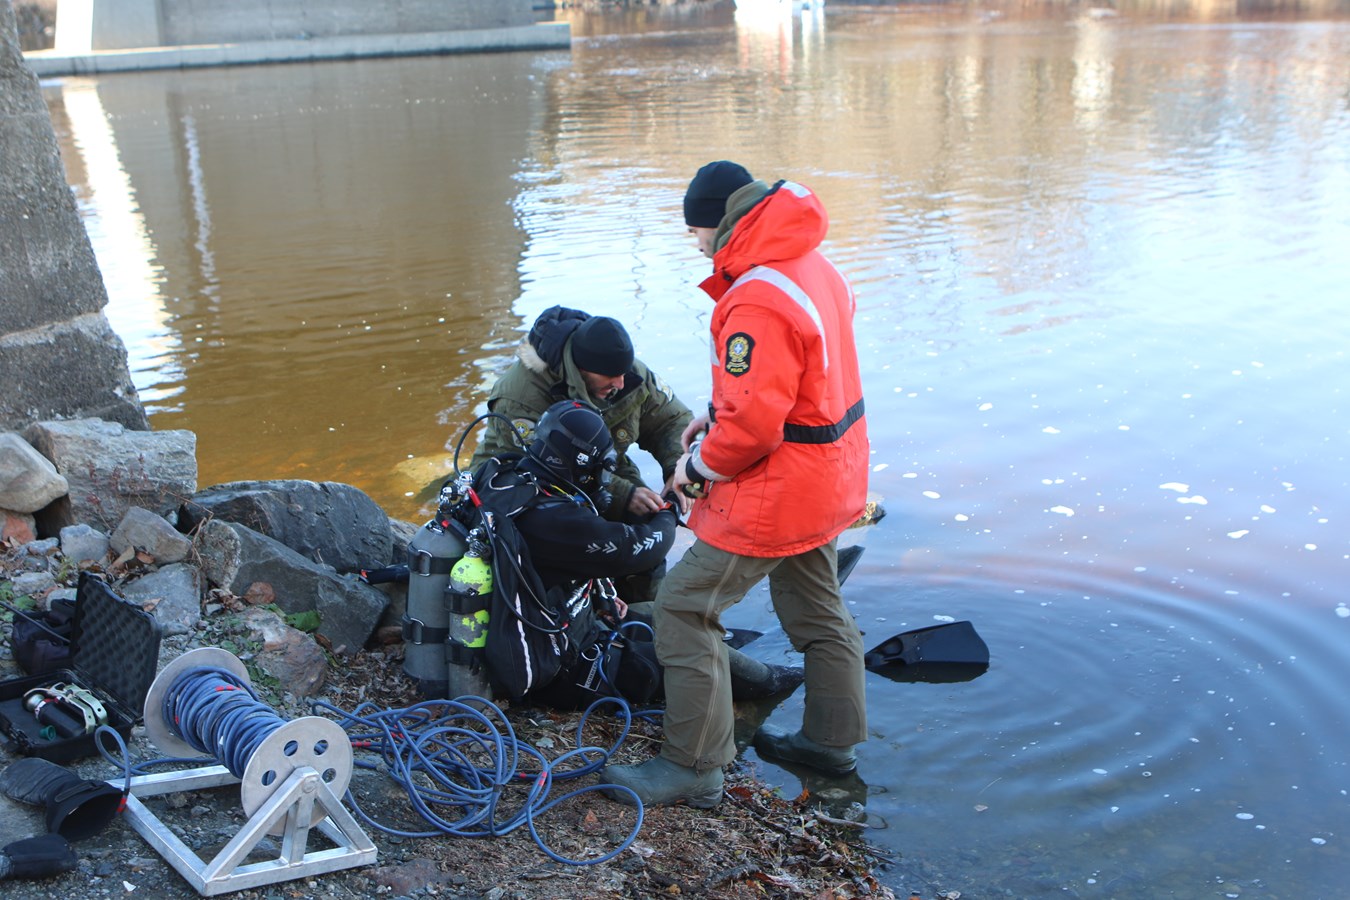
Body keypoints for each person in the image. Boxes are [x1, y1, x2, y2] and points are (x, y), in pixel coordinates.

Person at [598, 161, 870, 808]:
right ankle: (832, 747)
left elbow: (753, 431)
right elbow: (797, 385)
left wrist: (695, 468)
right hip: (832, 477)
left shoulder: (755, 294)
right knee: (819, 608)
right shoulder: (813, 265)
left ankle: (694, 765)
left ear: (721, 222)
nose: (695, 245)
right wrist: (716, 416)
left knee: (686, 606)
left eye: (696, 231)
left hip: (780, 491)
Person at [477, 399, 803, 710]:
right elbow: (644, 547)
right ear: (582, 465)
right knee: (693, 653)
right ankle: (781, 680)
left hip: (563, 627)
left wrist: (600, 602)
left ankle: (745, 645)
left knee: (674, 617)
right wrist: (670, 509)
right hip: (564, 668)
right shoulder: (553, 519)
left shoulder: (508, 481)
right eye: (603, 468)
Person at [469, 306, 693, 524]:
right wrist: (623, 494)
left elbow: (671, 421)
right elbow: (543, 467)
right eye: (611, 376)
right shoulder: (521, 395)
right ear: (582, 369)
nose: (620, 383)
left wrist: (680, 469)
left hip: (603, 465)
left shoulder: (628, 373)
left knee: (647, 519)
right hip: (521, 480)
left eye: (623, 373)